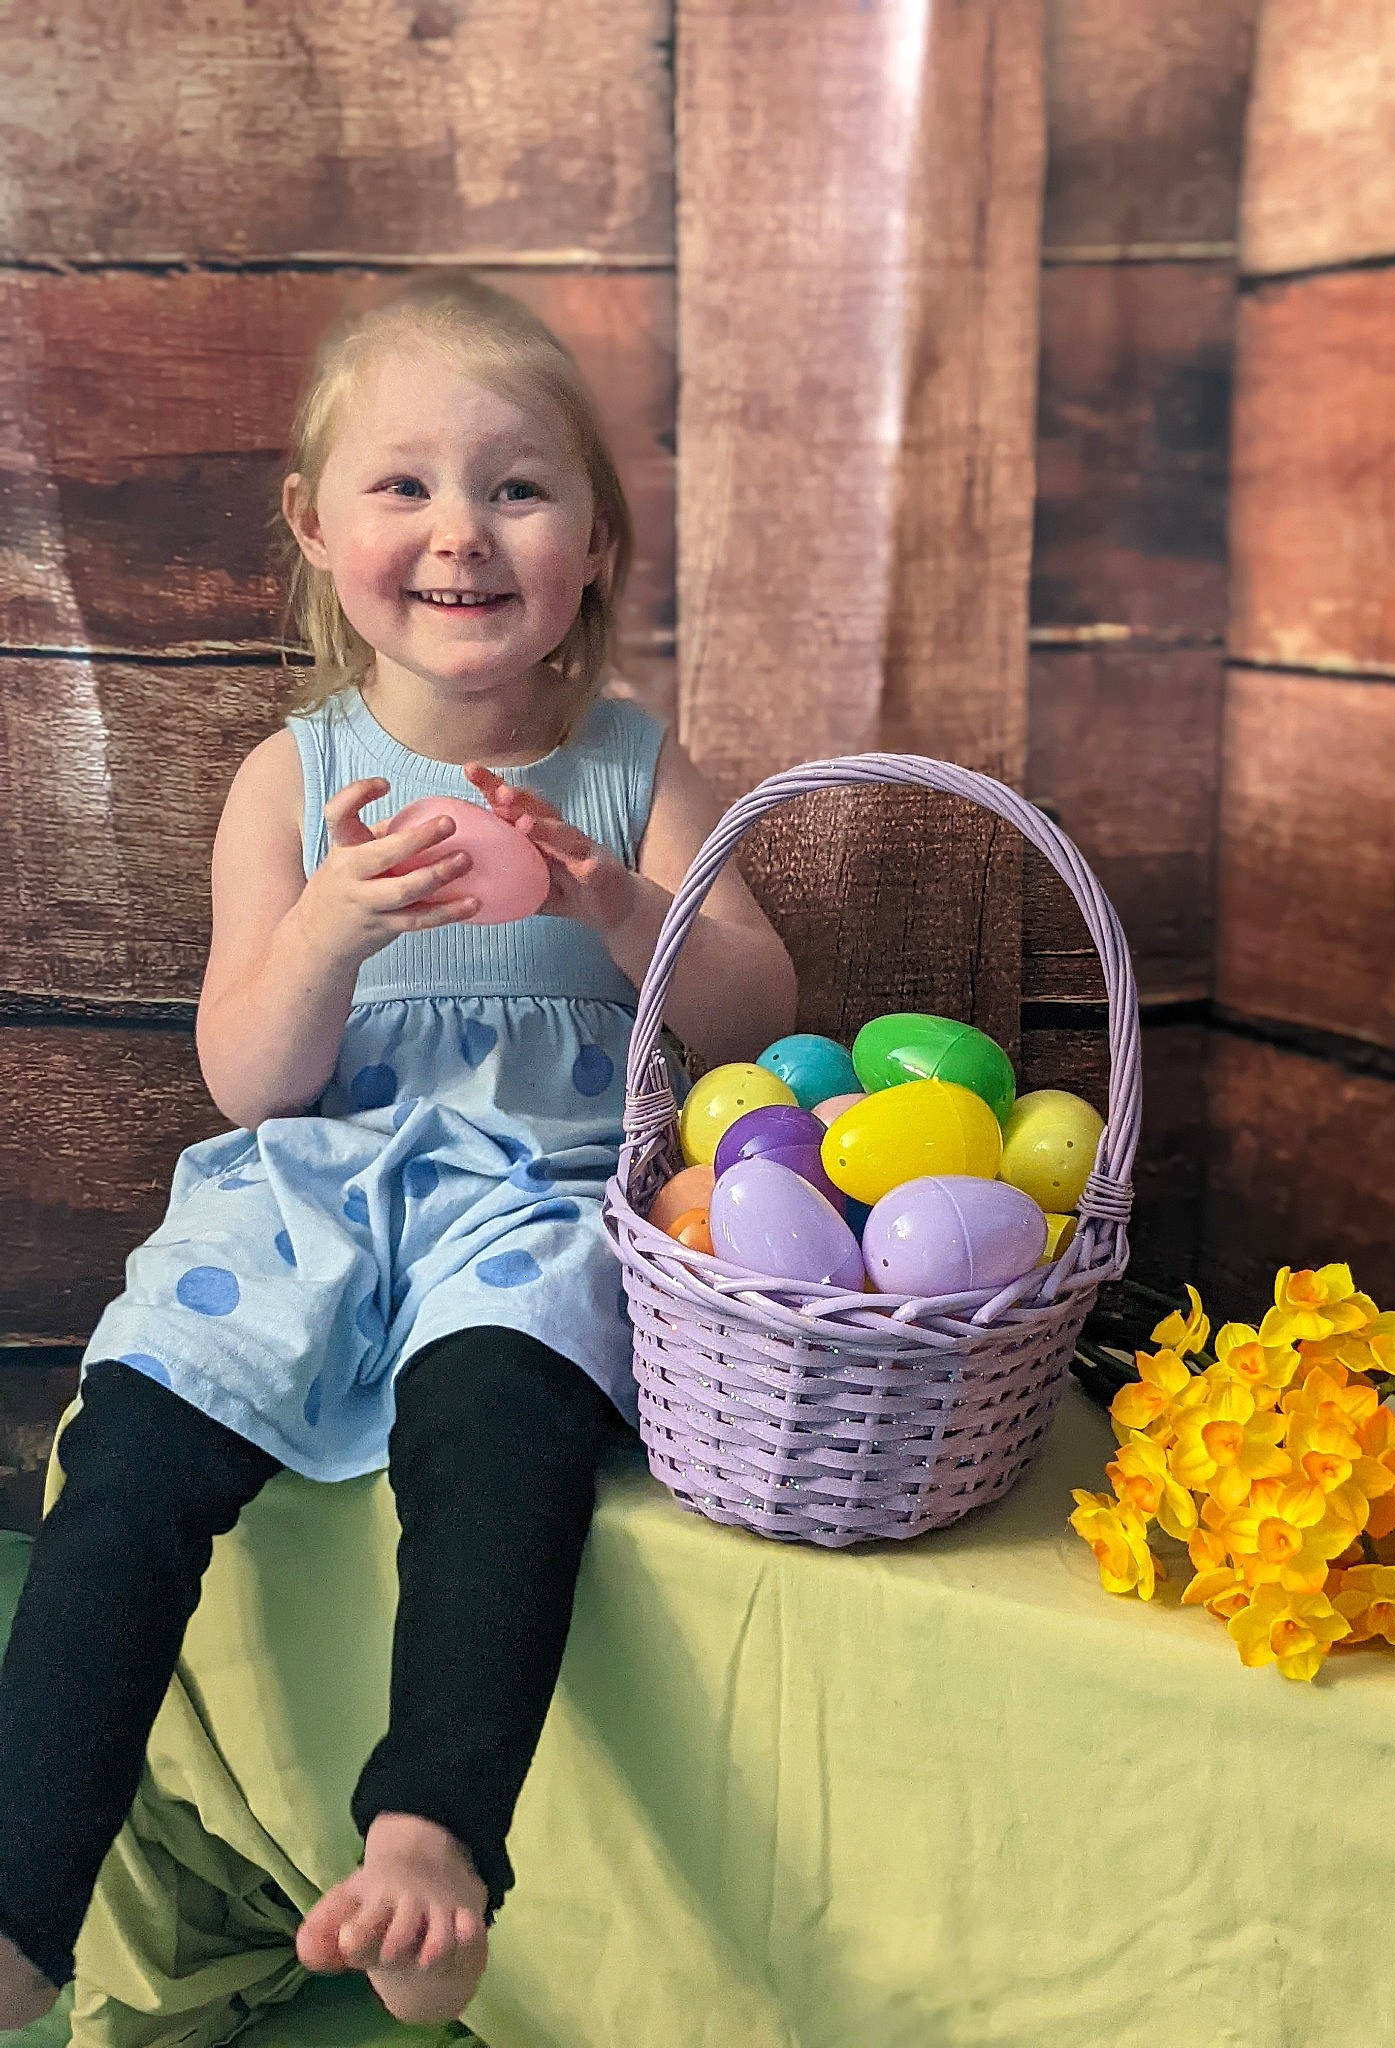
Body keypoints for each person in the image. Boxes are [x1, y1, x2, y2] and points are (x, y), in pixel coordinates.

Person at [0, 272, 797, 2033]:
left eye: (518, 488)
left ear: (595, 541)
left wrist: (620, 906)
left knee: (497, 1419)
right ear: (314, 526)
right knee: (131, 1436)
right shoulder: (290, 781)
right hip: (315, 1181)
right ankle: (18, 1907)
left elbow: (749, 1014)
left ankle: (434, 1830)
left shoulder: (632, 768)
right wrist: (331, 930)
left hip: (537, 1187)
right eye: (405, 485)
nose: (462, 531)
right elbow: (247, 1082)